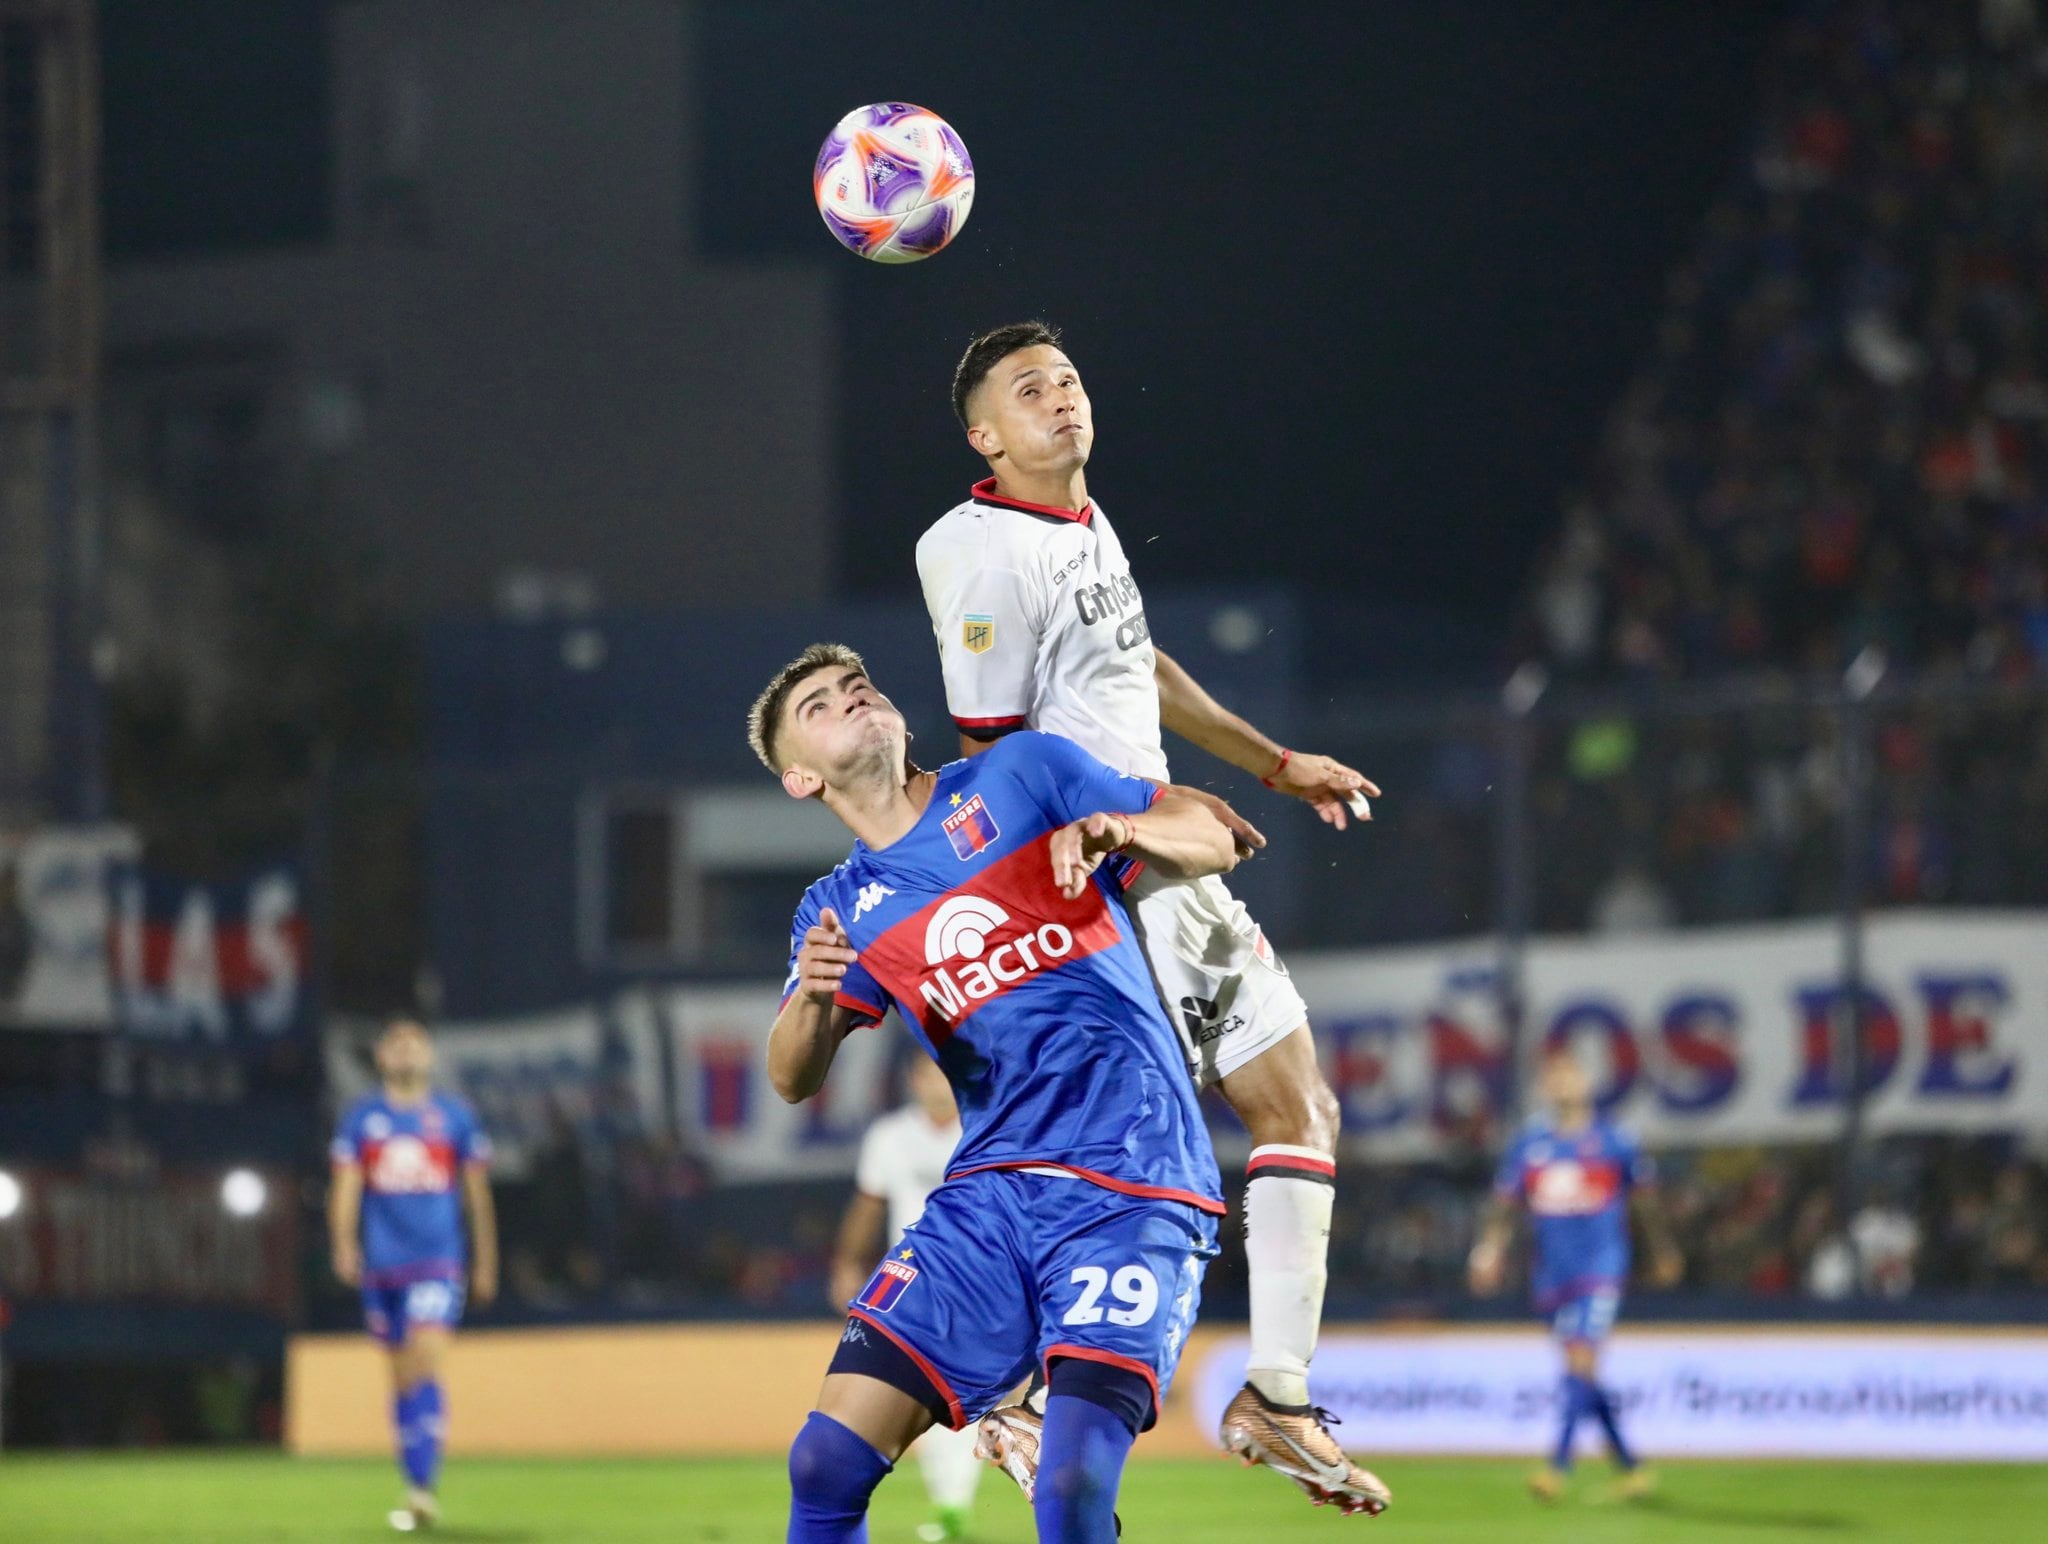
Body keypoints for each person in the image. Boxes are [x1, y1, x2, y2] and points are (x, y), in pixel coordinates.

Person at [917, 320, 1385, 1512]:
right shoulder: (975, 550)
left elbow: (1140, 664)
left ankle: (1264, 1392)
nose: (1062, 400)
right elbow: (994, 757)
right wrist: (1120, 834)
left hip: (1161, 850)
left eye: (1067, 380)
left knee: (1293, 1103)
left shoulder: (1081, 520)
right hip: (1109, 879)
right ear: (984, 434)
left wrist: (1276, 761)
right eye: (1030, 390)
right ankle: (1030, 1390)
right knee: (1132, 1154)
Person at [751, 641, 1296, 1543]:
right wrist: (812, 997)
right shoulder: (839, 908)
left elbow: (1215, 835)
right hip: (991, 1194)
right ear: (801, 780)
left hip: (1132, 1177)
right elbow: (789, 1077)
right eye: (819, 704)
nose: (853, 694)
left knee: (1072, 1488)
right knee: (825, 1462)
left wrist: (1125, 830)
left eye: (859, 682)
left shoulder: (1019, 773)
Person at [1466, 1049, 1681, 1501]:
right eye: (1553, 1077)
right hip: (1552, 1274)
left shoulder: (1614, 1139)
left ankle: (1557, 1467)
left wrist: (1662, 1249)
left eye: (1569, 1074)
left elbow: (1644, 1200)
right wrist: (1489, 1251)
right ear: (1545, 1088)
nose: (1561, 1083)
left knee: (1581, 1358)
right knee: (1580, 1373)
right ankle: (1631, 1466)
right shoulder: (1530, 1143)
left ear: (1585, 1082)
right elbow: (1505, 1205)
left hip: (1601, 1267)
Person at [329, 1017, 498, 1532]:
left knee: (426, 1360)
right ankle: (414, 1485)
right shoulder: (362, 1120)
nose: (406, 1050)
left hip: (438, 1261)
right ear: (381, 1057)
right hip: (384, 1267)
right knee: (401, 1378)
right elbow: (347, 1187)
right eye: (396, 1043)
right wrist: (343, 1243)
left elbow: (476, 1194)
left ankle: (424, 1490)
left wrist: (485, 1259)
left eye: (415, 1043)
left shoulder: (453, 1118)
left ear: (428, 1056)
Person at [830, 1056, 983, 1543]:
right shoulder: (890, 1136)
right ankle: (949, 1506)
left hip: (979, 1278)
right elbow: (868, 1203)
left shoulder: (985, 1129)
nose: (935, 1081)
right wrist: (846, 1263)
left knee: (963, 1395)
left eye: (944, 1070)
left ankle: (954, 1505)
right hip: (909, 1282)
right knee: (920, 1392)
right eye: (926, 1072)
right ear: (912, 1080)